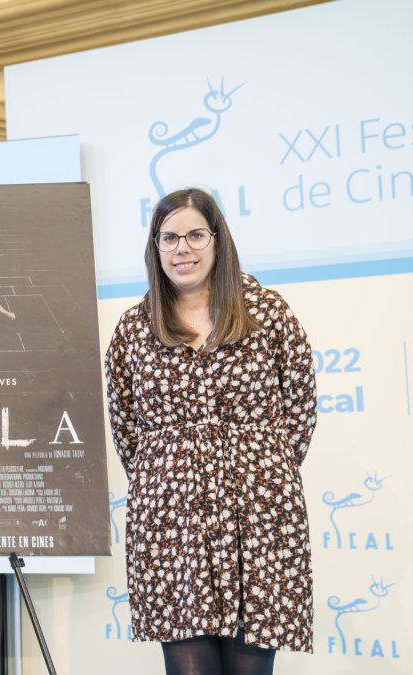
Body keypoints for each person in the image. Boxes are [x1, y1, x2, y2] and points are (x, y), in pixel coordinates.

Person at [104, 188, 317, 674]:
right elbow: (126, 429)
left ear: (218, 241)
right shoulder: (134, 328)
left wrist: (260, 467)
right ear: (155, 248)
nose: (183, 249)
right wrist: (173, 472)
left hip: (261, 517)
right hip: (170, 524)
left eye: (196, 235)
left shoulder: (269, 313)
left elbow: (299, 413)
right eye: (170, 238)